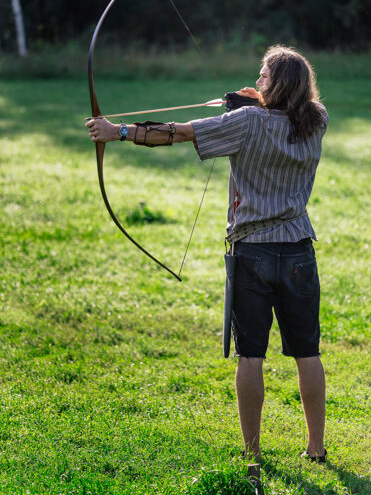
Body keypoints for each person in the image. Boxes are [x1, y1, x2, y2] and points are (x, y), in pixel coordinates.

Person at [86, 45, 328, 464]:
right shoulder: (316, 120)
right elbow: (284, 111)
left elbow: (177, 133)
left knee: (250, 354)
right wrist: (256, 101)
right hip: (299, 252)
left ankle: (252, 452)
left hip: (252, 252)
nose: (258, 82)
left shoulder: (247, 122)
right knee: (307, 351)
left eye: (265, 77)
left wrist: (117, 132)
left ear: (281, 84)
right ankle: (316, 447)